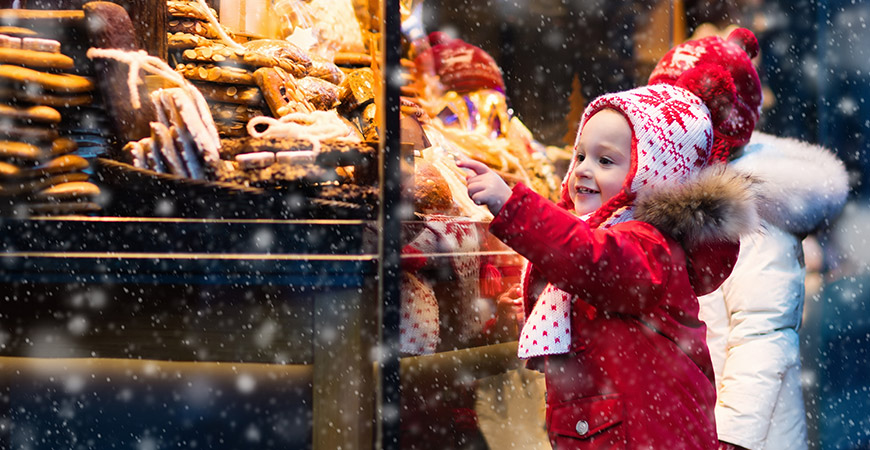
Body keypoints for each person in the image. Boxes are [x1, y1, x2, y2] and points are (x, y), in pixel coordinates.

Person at [457, 69, 758, 447]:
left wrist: (514, 207)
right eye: (581, 155)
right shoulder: (611, 243)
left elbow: (590, 260)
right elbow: (589, 286)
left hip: (644, 435)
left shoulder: (649, 245)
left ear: (650, 174)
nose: (582, 168)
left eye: (606, 161)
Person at [648, 28, 850, 450]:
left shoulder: (748, 212)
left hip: (742, 436)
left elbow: (763, 337)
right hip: (690, 424)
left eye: (671, 111)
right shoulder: (683, 199)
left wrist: (731, 439)